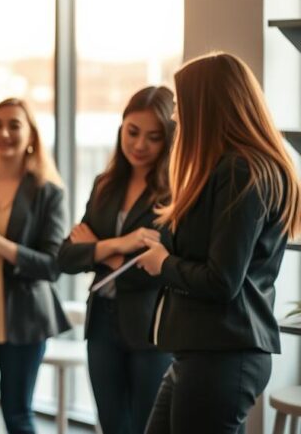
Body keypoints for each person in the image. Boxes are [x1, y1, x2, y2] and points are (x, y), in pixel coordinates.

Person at [136, 52, 301, 434]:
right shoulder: (233, 168)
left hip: (223, 353)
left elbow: (222, 280)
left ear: (205, 108)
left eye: (180, 107)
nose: (176, 118)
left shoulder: (242, 170)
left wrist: (163, 263)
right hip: (204, 351)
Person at [57, 86, 175, 434]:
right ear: (121, 128)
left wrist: (100, 249)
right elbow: (66, 256)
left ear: (168, 139)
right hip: (102, 324)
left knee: (146, 426)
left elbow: (160, 270)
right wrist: (122, 247)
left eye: (153, 137)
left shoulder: (174, 192)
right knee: (111, 425)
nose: (139, 145)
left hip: (149, 326)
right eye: (132, 132)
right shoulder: (104, 184)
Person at [0, 98, 71, 434]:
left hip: (24, 321)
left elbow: (53, 265)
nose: (4, 133)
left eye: (14, 125)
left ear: (31, 137)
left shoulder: (47, 193)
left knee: (17, 414)